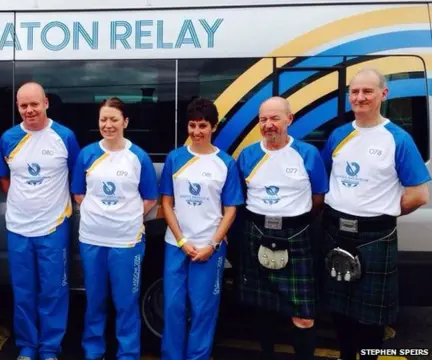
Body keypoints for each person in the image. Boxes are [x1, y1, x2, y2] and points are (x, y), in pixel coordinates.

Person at [320, 68, 430, 360]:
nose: (360, 97)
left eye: (367, 91)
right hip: (335, 231)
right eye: (355, 92)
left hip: (375, 236)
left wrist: (381, 215)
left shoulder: (398, 139)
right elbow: (326, 180)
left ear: (383, 94)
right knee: (339, 312)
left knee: (370, 320)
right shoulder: (338, 135)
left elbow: (419, 195)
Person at [236, 97, 328, 360]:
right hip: (256, 233)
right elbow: (240, 197)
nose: (268, 125)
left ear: (290, 119)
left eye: (275, 118)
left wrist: (291, 221)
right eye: (263, 119)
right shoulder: (248, 155)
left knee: (303, 316)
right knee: (262, 309)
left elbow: (318, 198)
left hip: (297, 235)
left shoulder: (307, 154)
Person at [0, 82, 80, 360]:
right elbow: (5, 179)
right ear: (17, 107)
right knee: (23, 291)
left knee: (54, 291)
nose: (29, 110)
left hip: (53, 227)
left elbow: (75, 177)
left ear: (46, 103)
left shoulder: (64, 136)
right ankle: (27, 346)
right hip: (18, 227)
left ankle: (50, 348)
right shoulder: (8, 138)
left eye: (34, 104)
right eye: (23, 105)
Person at [70, 97, 158, 360]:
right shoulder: (87, 154)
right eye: (103, 120)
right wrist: (100, 213)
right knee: (95, 301)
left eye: (114, 120)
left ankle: (128, 354)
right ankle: (93, 351)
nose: (108, 125)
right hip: (92, 238)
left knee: (126, 303)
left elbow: (150, 198)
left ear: (125, 122)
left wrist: (126, 216)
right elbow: (78, 193)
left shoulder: (138, 157)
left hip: (127, 241)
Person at [159, 98, 243, 360]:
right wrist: (182, 240)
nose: (196, 131)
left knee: (203, 309)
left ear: (214, 127)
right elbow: (166, 203)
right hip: (177, 245)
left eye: (203, 126)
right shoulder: (175, 158)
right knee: (173, 307)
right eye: (192, 125)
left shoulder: (226, 163)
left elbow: (231, 209)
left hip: (210, 248)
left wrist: (213, 244)